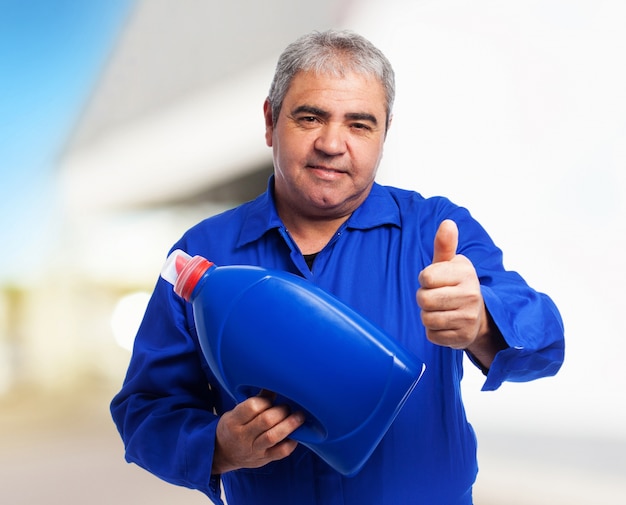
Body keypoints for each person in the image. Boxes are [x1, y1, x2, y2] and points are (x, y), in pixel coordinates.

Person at [111, 29, 564, 504]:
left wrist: (483, 321)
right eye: (310, 117)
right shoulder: (204, 251)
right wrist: (219, 447)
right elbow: (145, 411)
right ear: (270, 122)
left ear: (383, 134)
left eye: (359, 124)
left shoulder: (435, 232)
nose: (332, 143)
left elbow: (546, 341)